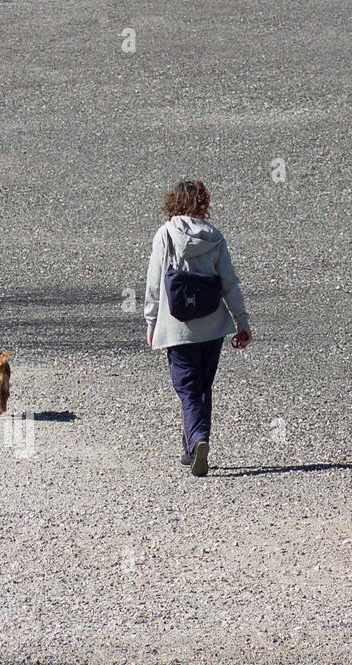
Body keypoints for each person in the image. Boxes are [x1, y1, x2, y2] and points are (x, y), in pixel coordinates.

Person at [144, 179, 251, 477]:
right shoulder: (214, 236)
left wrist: (150, 322)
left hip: (177, 327)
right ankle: (191, 447)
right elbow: (230, 284)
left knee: (187, 388)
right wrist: (242, 322)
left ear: (172, 204)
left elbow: (154, 284)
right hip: (213, 326)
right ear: (203, 204)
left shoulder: (164, 235)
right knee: (203, 386)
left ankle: (198, 439)